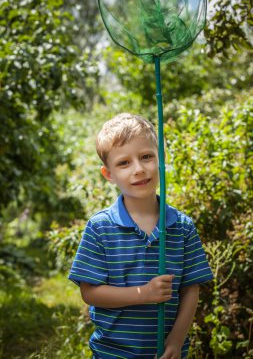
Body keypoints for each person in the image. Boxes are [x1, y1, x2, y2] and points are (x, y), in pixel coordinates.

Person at [68, 113, 214, 359]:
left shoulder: (182, 226)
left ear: (160, 159)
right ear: (109, 174)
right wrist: (143, 294)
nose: (138, 169)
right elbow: (90, 292)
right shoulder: (100, 227)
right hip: (112, 353)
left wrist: (176, 341)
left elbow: (191, 290)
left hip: (166, 353)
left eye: (146, 157)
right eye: (124, 163)